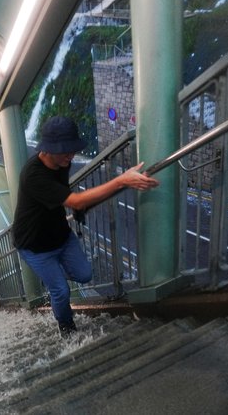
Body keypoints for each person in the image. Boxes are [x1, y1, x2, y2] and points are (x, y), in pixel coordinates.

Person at [12, 116, 159, 337]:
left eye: (71, 149)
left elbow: (72, 198)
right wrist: (122, 181)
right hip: (35, 246)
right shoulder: (33, 175)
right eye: (65, 151)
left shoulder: (62, 162)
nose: (70, 156)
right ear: (48, 149)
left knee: (84, 275)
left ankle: (54, 277)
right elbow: (76, 201)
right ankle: (67, 328)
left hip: (61, 236)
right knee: (60, 290)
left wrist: (129, 181)